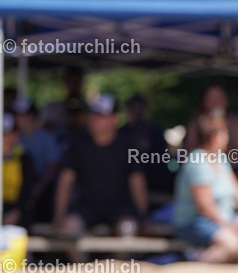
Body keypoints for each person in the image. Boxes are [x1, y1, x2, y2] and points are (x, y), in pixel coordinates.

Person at [173, 114, 238, 265]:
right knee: (232, 243)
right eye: (225, 133)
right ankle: (194, 263)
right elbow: (205, 206)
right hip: (195, 221)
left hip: (221, 217)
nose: (227, 137)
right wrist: (230, 225)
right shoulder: (198, 161)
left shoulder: (220, 158)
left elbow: (237, 191)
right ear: (214, 136)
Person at [53, 94, 147, 236]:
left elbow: (137, 181)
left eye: (101, 116)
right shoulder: (78, 145)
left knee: (128, 228)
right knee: (69, 227)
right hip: (86, 207)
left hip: (120, 208)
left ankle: (118, 260)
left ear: (115, 118)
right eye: (92, 114)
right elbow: (65, 181)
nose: (94, 120)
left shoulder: (128, 146)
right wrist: (59, 215)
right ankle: (83, 260)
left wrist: (143, 216)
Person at [12, 97, 61, 224]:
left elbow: (52, 168)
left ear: (34, 116)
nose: (22, 120)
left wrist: (38, 188)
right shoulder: (11, 137)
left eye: (26, 115)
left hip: (43, 185)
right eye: (18, 116)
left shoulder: (46, 137)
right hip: (16, 185)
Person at [120, 93, 174, 207]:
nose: (138, 113)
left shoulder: (157, 133)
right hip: (126, 192)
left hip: (157, 189)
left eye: (140, 109)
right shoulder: (120, 135)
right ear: (128, 111)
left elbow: (162, 163)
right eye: (134, 109)